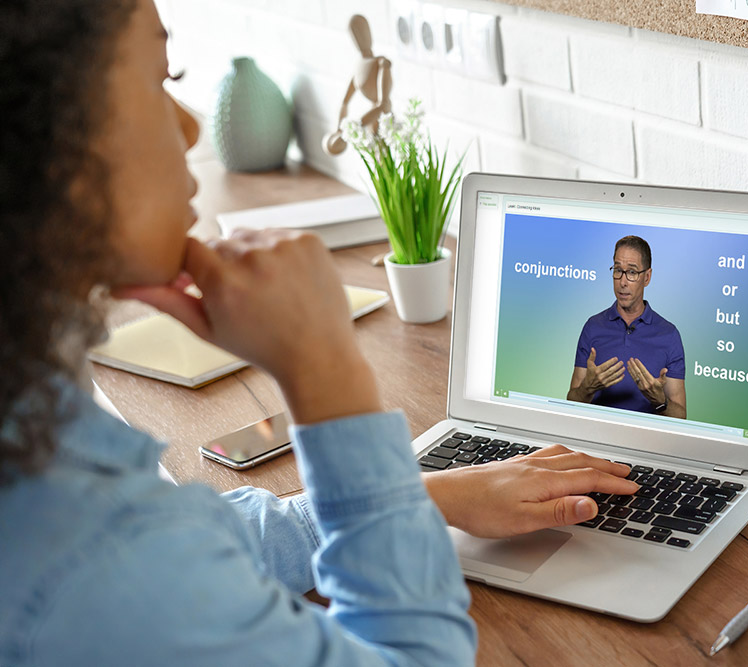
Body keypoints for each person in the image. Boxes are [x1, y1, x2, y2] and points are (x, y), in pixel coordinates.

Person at [0, 1, 637, 663]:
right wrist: (322, 368)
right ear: (40, 137)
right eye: (163, 78)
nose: (189, 128)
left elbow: (188, 541)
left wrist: (425, 493)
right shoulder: (85, 563)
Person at [567, 235, 687, 419]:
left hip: (646, 442)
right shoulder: (593, 326)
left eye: (632, 272)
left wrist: (660, 401)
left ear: (647, 277)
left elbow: (680, 416)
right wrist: (587, 388)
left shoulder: (669, 335)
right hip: (596, 437)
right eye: (617, 270)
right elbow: (571, 402)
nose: (622, 282)